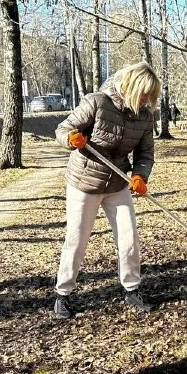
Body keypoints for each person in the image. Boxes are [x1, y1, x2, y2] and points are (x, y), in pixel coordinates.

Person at [53, 61, 158, 318]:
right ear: (132, 87)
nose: (147, 101)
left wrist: (140, 175)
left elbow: (145, 153)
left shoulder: (144, 116)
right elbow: (63, 128)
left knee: (129, 235)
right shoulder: (97, 102)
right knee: (77, 239)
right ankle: (63, 295)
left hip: (117, 183)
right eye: (144, 94)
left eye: (151, 97)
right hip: (84, 182)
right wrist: (70, 139)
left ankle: (132, 289)